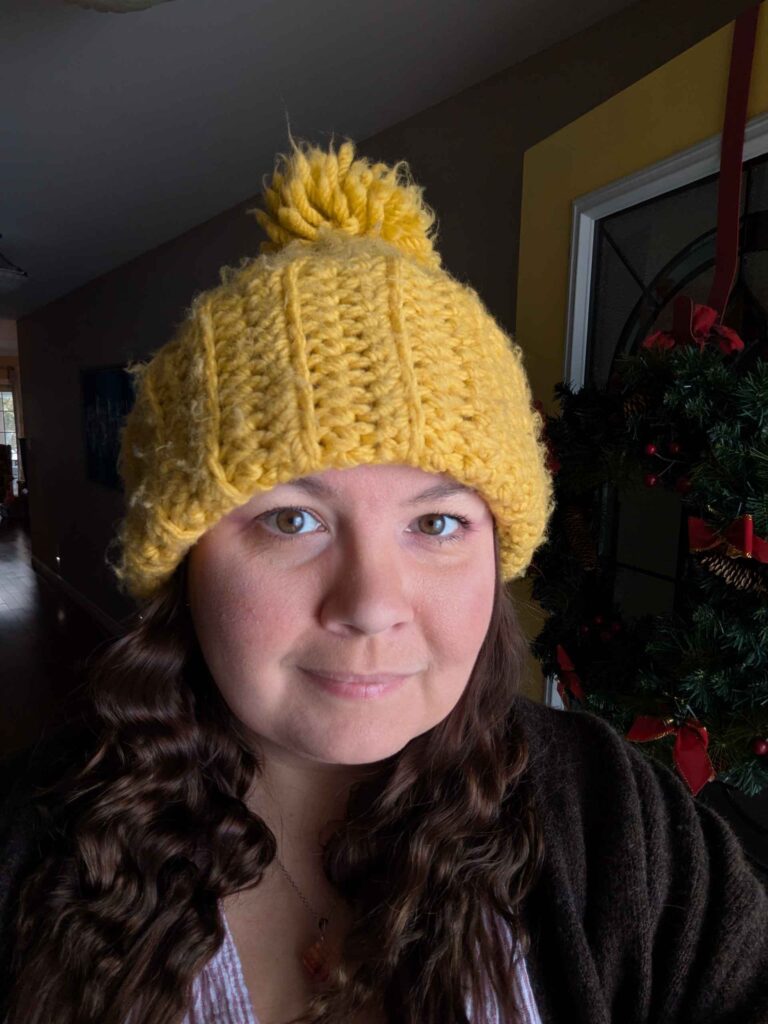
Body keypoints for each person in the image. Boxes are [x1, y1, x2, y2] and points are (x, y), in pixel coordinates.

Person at [0, 137, 767, 1024]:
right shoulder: (31, 847)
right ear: (183, 563)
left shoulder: (618, 828)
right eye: (292, 519)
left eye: (437, 523)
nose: (369, 604)